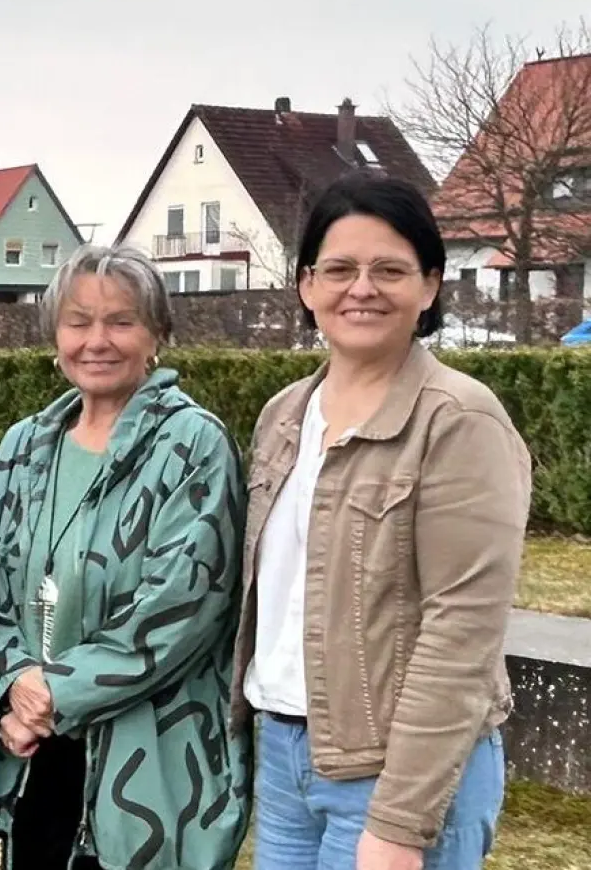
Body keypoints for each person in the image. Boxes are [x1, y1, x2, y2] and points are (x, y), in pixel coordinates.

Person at [237, 174, 529, 870]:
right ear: (307, 286)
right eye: (338, 269)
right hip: (283, 759)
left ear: (430, 285)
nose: (360, 288)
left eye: (390, 270)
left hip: (396, 771)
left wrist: (399, 822)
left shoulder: (458, 420)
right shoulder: (283, 416)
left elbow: (462, 631)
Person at [0, 244, 249, 870]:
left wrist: (50, 696)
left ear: (157, 334)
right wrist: (12, 684)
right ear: (54, 334)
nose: (97, 340)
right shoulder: (25, 446)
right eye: (78, 321)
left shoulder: (194, 445)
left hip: (144, 761)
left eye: (121, 321)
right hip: (34, 751)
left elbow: (184, 608)